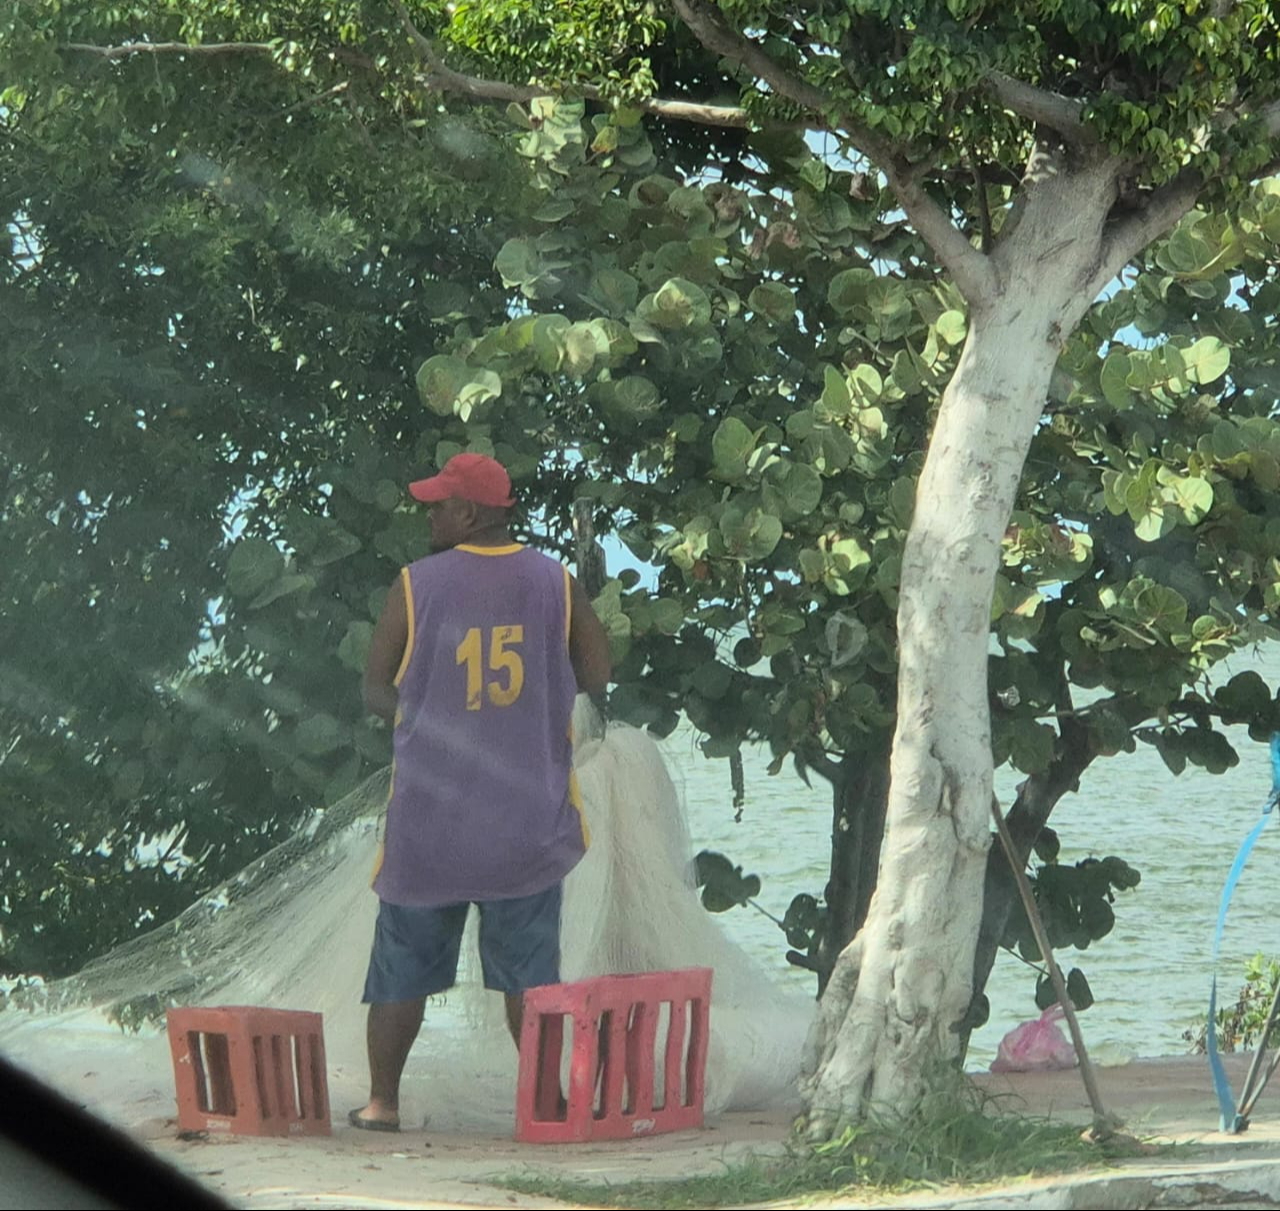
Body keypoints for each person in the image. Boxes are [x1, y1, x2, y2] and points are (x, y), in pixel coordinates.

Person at [348, 453, 612, 1132]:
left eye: (438, 504)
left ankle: (383, 1102)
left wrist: (414, 714)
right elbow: (598, 670)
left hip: (430, 823)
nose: (430, 515)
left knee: (403, 966)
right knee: (529, 976)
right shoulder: (555, 581)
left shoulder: (415, 584)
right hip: (526, 821)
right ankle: (547, 1103)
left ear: (470, 512)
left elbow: (376, 686)